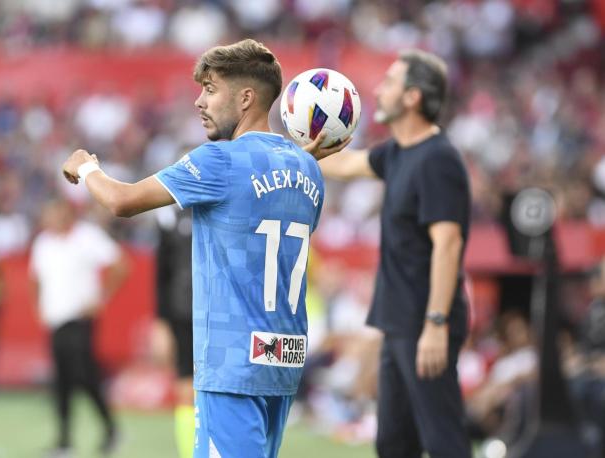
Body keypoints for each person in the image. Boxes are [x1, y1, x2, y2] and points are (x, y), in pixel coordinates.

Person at [62, 39, 325, 458]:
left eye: (210, 88)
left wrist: (85, 166)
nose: (200, 101)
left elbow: (122, 201)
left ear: (245, 98)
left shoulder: (218, 160)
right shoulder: (306, 167)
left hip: (232, 364)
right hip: (283, 359)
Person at [308, 49, 472, 457]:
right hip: (398, 320)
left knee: (442, 439)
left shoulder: (438, 159)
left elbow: (448, 244)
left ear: (413, 97)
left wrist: (436, 322)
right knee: (394, 443)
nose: (378, 91)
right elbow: (345, 166)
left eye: (390, 83)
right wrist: (288, 147)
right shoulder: (397, 152)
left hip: (425, 321)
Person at [29, 199, 128, 457]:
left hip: (80, 319)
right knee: (63, 380)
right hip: (56, 320)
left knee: (83, 375)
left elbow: (120, 264)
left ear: (67, 213)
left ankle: (104, 429)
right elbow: (35, 278)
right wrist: (38, 305)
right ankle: (67, 439)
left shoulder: (87, 236)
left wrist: (102, 297)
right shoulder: (44, 243)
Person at [152, 206, 195, 458]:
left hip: (222, 314)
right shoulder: (169, 218)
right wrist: (161, 322)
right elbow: (161, 274)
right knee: (186, 387)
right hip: (184, 313)